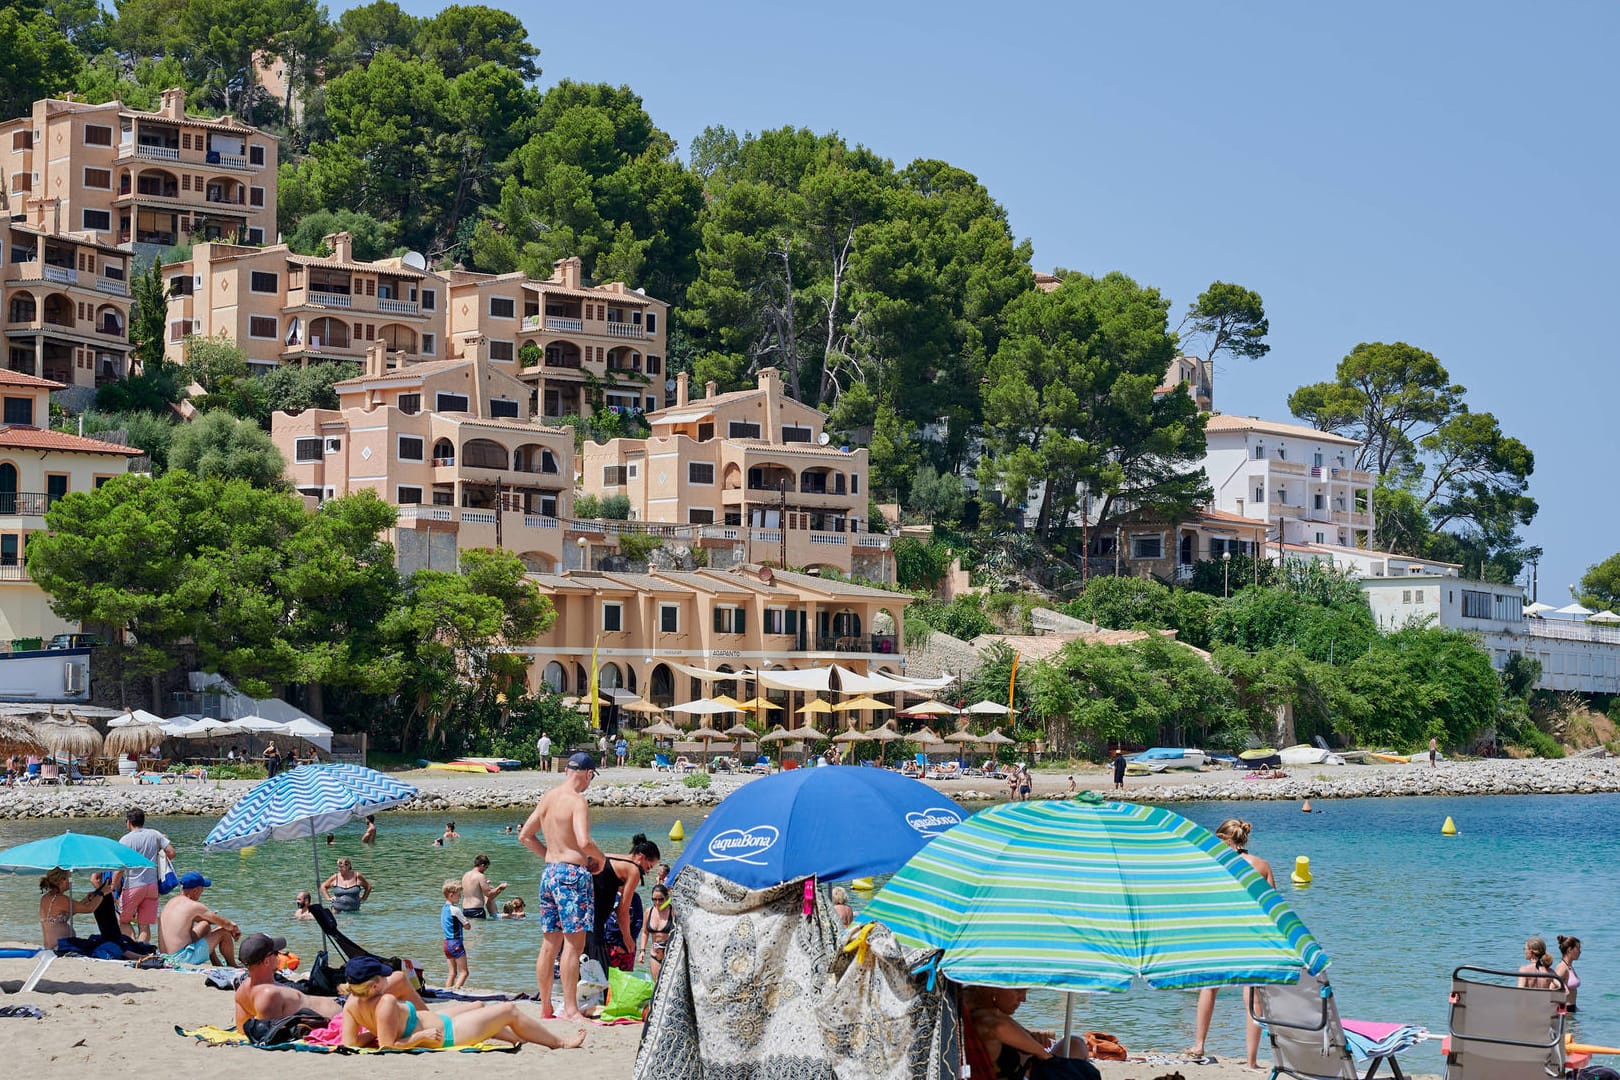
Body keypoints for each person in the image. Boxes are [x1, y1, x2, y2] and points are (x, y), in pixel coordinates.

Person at [519, 751, 607, 1021]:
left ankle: (546, 1007)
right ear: (588, 774)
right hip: (572, 876)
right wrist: (601, 859)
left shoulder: (549, 797)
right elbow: (583, 841)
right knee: (573, 945)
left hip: (550, 873)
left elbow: (525, 836)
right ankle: (570, 1008)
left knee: (549, 944)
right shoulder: (577, 801)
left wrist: (549, 854)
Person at [339, 955, 585, 1051]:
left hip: (440, 1022)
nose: (386, 979)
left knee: (478, 1005)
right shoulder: (386, 1003)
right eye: (383, 977)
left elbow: (350, 1043)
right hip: (445, 1033)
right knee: (509, 1009)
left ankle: (511, 1036)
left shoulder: (351, 1004)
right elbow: (388, 1047)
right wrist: (418, 1037)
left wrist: (374, 1034)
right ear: (373, 986)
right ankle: (560, 1043)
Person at [1189, 819, 1275, 1068]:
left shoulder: (1216, 865)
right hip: (1253, 938)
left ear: (1223, 840)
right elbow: (1273, 908)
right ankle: (1252, 1061)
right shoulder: (1262, 865)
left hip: (1221, 934)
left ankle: (1199, 1045)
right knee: (1253, 998)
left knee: (1209, 987)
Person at [967, 985, 1096, 1080]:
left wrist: (1030, 1035)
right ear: (993, 988)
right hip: (1024, 1072)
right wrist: (1043, 1054)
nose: (1023, 999)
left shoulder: (988, 1009)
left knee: (1075, 1043)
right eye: (1018, 991)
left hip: (1031, 1067)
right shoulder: (984, 1021)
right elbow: (996, 1027)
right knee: (1082, 1070)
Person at [593, 833, 661, 972]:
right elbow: (622, 910)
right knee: (599, 975)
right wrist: (627, 938)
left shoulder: (609, 856)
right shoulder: (633, 870)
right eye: (649, 867)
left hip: (583, 912)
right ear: (641, 857)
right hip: (595, 921)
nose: (647, 872)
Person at [115, 807, 175, 943]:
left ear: (129, 822)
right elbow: (171, 853)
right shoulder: (155, 834)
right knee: (144, 924)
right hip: (152, 886)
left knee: (124, 920)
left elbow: (119, 869)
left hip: (133, 886)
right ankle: (142, 951)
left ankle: (131, 949)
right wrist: (159, 858)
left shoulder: (125, 840)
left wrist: (113, 886)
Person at [159, 872, 241, 965]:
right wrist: (234, 928)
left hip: (165, 956)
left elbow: (199, 920)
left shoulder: (171, 902)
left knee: (204, 925)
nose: (201, 893)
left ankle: (216, 962)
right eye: (202, 890)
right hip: (182, 958)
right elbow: (227, 925)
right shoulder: (194, 906)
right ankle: (232, 965)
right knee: (224, 932)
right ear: (195, 890)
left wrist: (210, 920)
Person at [38, 868, 104, 951]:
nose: (71, 881)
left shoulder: (46, 897)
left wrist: (86, 900)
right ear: (61, 880)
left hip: (52, 945)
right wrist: (102, 893)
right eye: (69, 877)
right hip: (60, 946)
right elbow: (89, 909)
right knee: (101, 944)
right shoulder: (60, 899)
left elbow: (71, 910)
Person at [638, 884, 674, 980]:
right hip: (655, 955)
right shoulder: (648, 912)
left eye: (661, 899)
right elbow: (645, 932)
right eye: (654, 899)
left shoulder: (673, 912)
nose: (657, 903)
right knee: (657, 986)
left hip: (670, 955)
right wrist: (642, 951)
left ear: (667, 897)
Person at [441, 880, 471, 989]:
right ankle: (456, 990)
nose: (460, 898)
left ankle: (447, 991)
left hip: (446, 943)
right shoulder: (455, 909)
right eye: (459, 895)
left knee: (452, 973)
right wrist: (465, 922)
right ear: (451, 895)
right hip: (456, 942)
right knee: (464, 972)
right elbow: (467, 926)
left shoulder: (444, 909)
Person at [1555, 935, 1582, 1009]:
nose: (1580, 952)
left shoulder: (1569, 966)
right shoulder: (1562, 967)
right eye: (1578, 948)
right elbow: (1552, 982)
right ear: (1570, 949)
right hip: (1566, 1011)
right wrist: (1563, 987)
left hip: (1572, 1008)